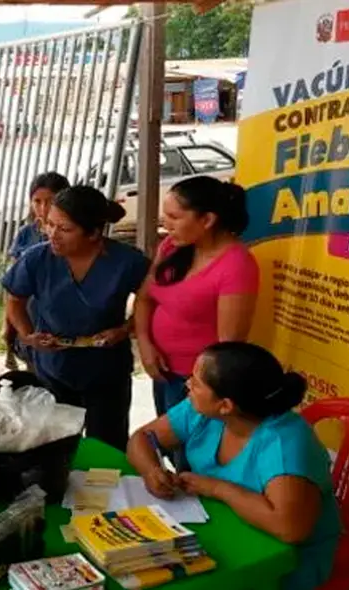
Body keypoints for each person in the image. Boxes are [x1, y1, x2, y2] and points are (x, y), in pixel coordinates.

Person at [126, 342, 340, 590]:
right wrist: (151, 470)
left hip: (284, 561)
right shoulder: (202, 411)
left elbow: (289, 528)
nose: (187, 385)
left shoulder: (284, 442)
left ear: (226, 405)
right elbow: (141, 439)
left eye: (196, 382)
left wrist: (217, 488)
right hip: (223, 530)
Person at [1, 185, 149, 450]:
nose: (53, 235)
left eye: (65, 229)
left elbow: (149, 300)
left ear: (93, 233)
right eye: (49, 225)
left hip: (106, 367)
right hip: (53, 366)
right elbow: (15, 301)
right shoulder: (37, 258)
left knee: (107, 445)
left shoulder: (127, 261)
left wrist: (125, 329)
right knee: (57, 444)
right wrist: (27, 335)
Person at [133, 176, 259, 468]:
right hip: (163, 371)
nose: (167, 225)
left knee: (192, 459)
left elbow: (228, 348)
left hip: (199, 386)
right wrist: (145, 344)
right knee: (169, 451)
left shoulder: (236, 265)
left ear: (208, 219)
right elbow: (145, 298)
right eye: (166, 217)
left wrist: (198, 388)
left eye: (175, 217)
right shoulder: (173, 247)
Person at [3, 171, 70, 370]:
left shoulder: (73, 233)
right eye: (36, 201)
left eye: (50, 201)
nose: (43, 208)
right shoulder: (26, 234)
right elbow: (14, 281)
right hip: (30, 308)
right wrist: (9, 323)